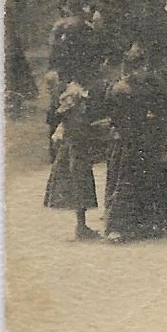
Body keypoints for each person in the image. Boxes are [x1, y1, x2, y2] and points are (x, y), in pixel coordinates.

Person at [102, 44, 167, 241]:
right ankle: (122, 226)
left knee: (140, 182)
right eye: (141, 68)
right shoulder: (125, 89)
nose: (144, 72)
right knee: (127, 183)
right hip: (131, 142)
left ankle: (146, 224)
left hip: (139, 141)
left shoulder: (140, 86)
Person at [43, 82, 103, 240]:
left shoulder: (70, 119)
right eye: (82, 103)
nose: (85, 106)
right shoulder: (76, 120)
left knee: (79, 191)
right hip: (76, 158)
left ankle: (81, 225)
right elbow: (83, 135)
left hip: (73, 156)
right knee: (79, 190)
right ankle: (81, 227)